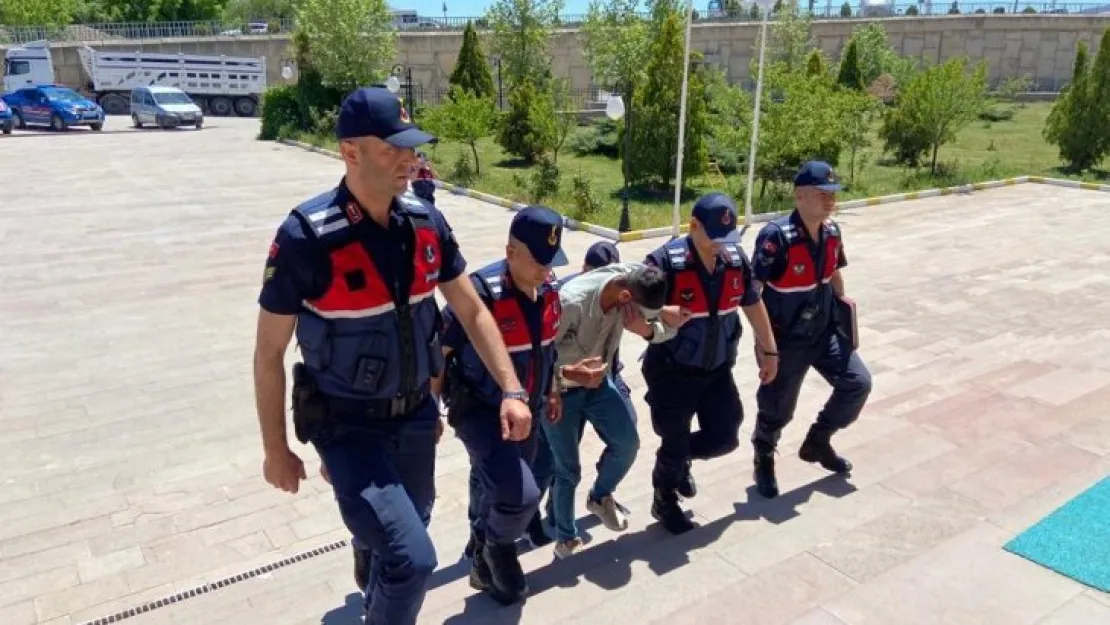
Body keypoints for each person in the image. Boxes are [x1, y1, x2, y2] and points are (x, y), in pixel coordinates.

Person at [252, 86, 532, 625]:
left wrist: (512, 389)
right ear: (350, 152)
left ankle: (371, 546)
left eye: (413, 147)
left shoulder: (425, 223)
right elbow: (268, 352)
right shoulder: (307, 237)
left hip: (415, 418)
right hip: (347, 425)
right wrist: (275, 449)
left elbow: (473, 313)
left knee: (415, 519)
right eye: (393, 148)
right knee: (412, 559)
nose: (411, 159)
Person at [442, 205, 566, 604]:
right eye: (537, 262)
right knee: (522, 496)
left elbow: (548, 348)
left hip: (526, 412)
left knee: (502, 485)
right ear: (510, 251)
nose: (545, 271)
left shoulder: (549, 289)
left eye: (551, 262)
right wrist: (430, 411)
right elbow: (438, 354)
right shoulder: (479, 294)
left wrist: (553, 390)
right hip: (480, 411)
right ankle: (498, 547)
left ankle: (481, 554)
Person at [641, 192, 779, 534]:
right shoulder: (665, 263)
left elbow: (752, 302)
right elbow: (629, 307)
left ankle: (675, 461)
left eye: (727, 238)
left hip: (717, 371)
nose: (721, 245)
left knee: (725, 436)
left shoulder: (734, 260)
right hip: (672, 372)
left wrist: (770, 349)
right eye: (715, 237)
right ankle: (664, 496)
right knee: (673, 439)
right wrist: (660, 312)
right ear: (694, 226)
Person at [749, 161, 873, 499]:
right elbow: (752, 292)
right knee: (778, 408)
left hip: (824, 331)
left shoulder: (832, 231)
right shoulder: (776, 237)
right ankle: (763, 456)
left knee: (857, 383)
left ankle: (818, 441)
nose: (830, 200)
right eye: (822, 193)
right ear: (799, 196)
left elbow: (833, 273)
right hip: (785, 339)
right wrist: (765, 345)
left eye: (832, 193)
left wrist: (845, 314)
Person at [544, 262, 676, 558]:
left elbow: (658, 326)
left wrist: (664, 322)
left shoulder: (635, 278)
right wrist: (565, 376)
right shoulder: (571, 302)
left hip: (599, 385)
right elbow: (538, 357)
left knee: (628, 444)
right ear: (627, 298)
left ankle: (600, 496)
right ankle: (566, 538)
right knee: (568, 469)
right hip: (559, 389)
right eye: (641, 314)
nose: (641, 321)